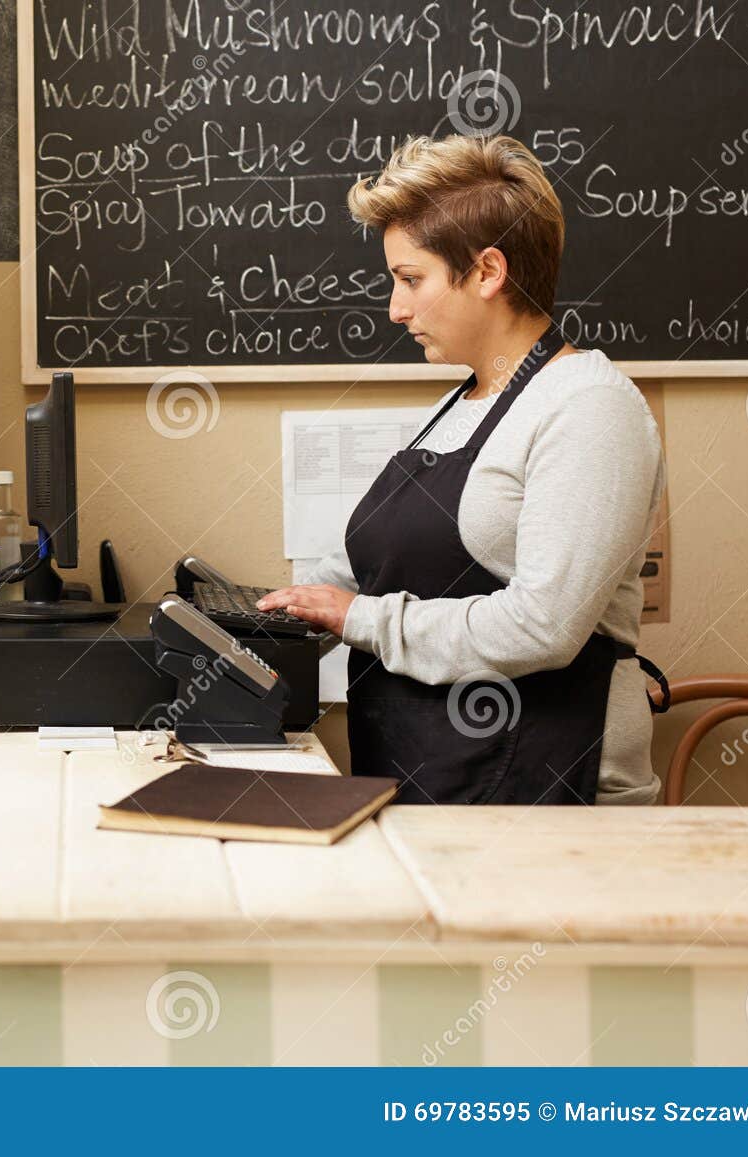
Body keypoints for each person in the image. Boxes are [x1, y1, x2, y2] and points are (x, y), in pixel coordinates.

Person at [258, 133, 666, 805]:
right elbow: (374, 571)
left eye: (411, 280)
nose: (396, 309)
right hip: (432, 774)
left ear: (487, 272)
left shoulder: (590, 408)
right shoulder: (467, 400)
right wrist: (271, 615)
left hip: (544, 787)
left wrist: (360, 618)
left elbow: (544, 624)